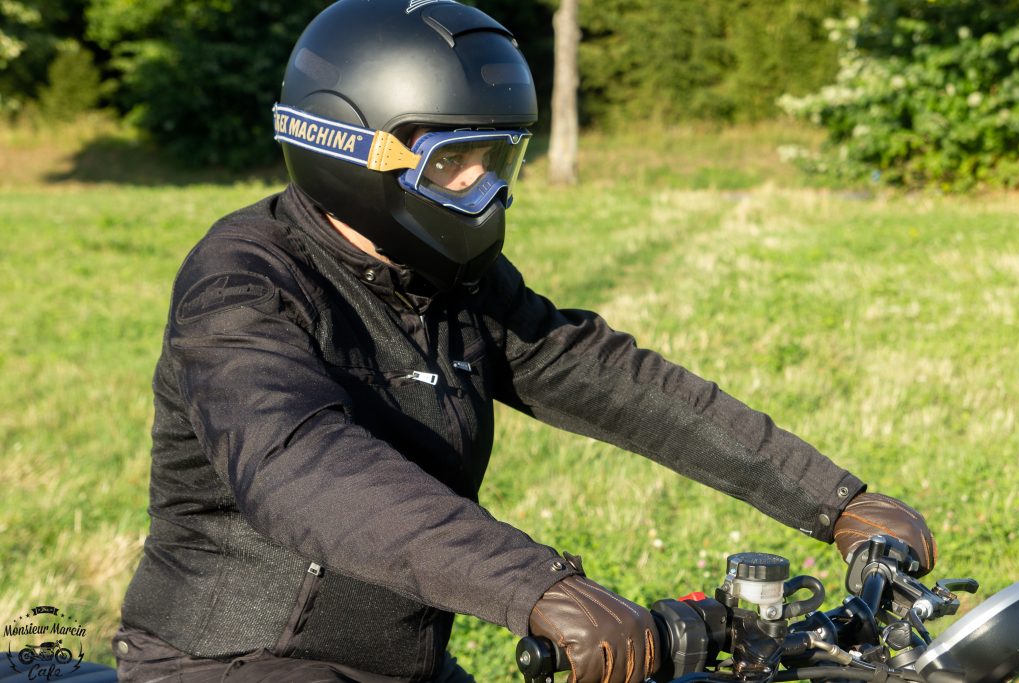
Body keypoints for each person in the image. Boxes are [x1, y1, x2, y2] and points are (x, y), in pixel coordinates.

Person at [114, 1, 937, 682]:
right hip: (233, 661)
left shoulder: (449, 276)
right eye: (451, 163)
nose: (485, 187)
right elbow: (300, 465)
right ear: (348, 147)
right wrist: (538, 586)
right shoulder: (241, 286)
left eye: (497, 156)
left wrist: (833, 499)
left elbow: (605, 373)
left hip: (400, 663)